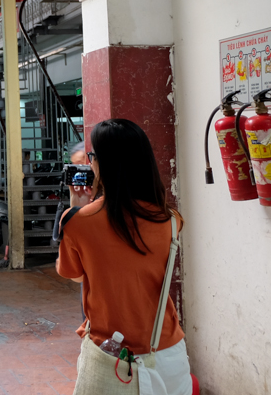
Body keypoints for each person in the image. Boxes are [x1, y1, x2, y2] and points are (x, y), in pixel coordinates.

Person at [57, 119, 191, 394]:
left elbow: (72, 275)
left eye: (92, 156)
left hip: (110, 355)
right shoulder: (171, 221)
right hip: (167, 352)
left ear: (104, 164)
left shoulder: (77, 223)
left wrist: (78, 208)